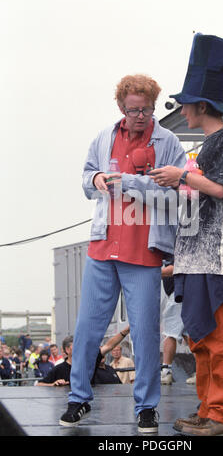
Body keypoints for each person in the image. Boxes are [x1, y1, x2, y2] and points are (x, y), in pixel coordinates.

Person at [59, 73, 186, 433]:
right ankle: (78, 399)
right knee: (86, 329)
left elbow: (175, 194)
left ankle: (146, 407)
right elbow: (86, 179)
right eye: (134, 110)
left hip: (144, 252)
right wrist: (97, 179)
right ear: (121, 107)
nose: (142, 116)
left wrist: (130, 183)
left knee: (146, 332)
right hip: (102, 247)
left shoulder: (169, 142)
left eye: (147, 109)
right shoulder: (104, 137)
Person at [150, 33, 223, 436]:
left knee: (221, 338)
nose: (182, 108)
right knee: (202, 339)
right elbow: (200, 205)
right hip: (198, 260)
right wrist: (180, 259)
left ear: (201, 105)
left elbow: (222, 190)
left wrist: (183, 176)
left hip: (221, 257)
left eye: (186, 102)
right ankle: (209, 409)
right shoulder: (207, 145)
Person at [38, 327, 131, 388]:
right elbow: (39, 384)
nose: (81, 349)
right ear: (67, 350)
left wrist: (125, 331)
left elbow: (108, 346)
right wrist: (53, 384)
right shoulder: (59, 369)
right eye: (76, 346)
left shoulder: (89, 363)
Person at [160, 258, 187, 385]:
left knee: (170, 333)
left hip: (178, 293)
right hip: (182, 292)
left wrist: (153, 273)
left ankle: (166, 371)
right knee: (188, 333)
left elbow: (177, 266)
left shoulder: (174, 246)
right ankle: (202, 371)